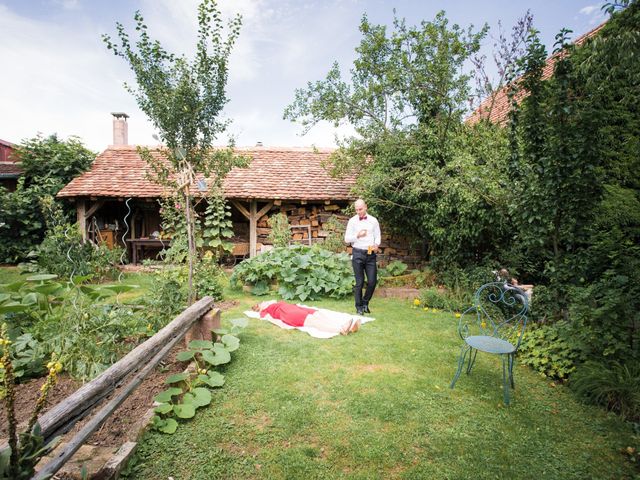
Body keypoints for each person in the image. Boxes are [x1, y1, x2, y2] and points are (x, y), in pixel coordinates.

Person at [344, 198, 381, 315]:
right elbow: (346, 239)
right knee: (359, 282)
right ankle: (358, 307)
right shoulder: (352, 221)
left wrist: (376, 244)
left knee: (372, 281)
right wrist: (357, 235)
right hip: (358, 253)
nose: (358, 212)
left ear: (366, 207)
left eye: (360, 209)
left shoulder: (373, 221)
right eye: (356, 210)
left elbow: (378, 236)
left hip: (370, 254)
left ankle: (365, 302)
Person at [252, 300, 361, 335]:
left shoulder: (271, 304)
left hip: (292, 308)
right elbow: (266, 317)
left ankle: (345, 326)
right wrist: (260, 310)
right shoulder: (265, 311)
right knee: (312, 321)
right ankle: (341, 329)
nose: (262, 303)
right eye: (259, 304)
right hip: (288, 313)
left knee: (318, 314)